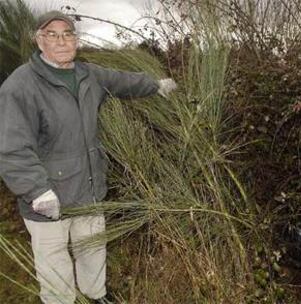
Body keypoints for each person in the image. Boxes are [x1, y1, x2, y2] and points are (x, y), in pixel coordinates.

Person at [0, 10, 176, 304]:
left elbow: (123, 82)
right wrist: (36, 190)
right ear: (39, 41)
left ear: (76, 41)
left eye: (67, 34)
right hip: (48, 197)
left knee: (92, 249)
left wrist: (155, 85)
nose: (61, 41)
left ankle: (96, 296)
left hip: (89, 188)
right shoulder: (20, 86)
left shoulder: (88, 74)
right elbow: (11, 147)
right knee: (54, 263)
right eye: (52, 35)